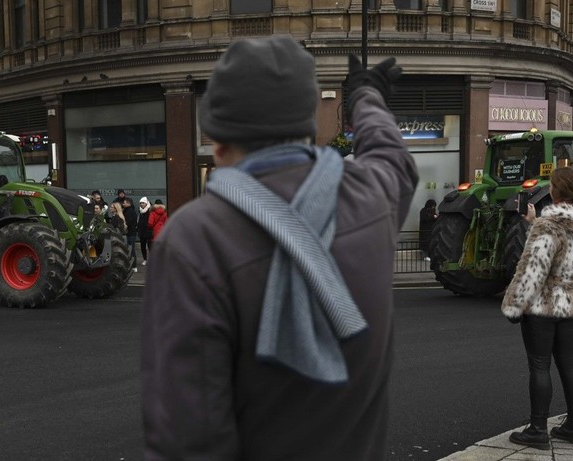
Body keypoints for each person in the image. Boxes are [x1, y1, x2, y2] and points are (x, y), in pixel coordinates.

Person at [141, 36, 417, 460]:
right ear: (308, 124)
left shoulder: (195, 239)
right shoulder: (372, 195)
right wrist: (367, 96)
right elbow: (391, 153)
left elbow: (189, 442)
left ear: (215, 137)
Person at [501, 165, 573, 450]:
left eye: (553, 186)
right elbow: (563, 250)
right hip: (571, 302)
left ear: (558, 192)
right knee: (569, 363)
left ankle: (537, 429)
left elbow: (534, 270)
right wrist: (535, 224)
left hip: (543, 305)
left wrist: (514, 305)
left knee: (540, 366)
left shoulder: (549, 225)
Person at [122, 197, 139, 271]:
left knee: (131, 250)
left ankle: (134, 266)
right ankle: (132, 265)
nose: (123, 204)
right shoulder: (127, 210)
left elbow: (128, 222)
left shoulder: (130, 211)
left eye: (124, 203)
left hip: (131, 234)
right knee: (130, 250)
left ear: (129, 203)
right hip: (130, 233)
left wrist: (124, 226)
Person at [137, 196, 153, 266]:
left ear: (146, 203)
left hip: (148, 231)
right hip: (141, 231)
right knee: (142, 246)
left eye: (143, 203)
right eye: (140, 203)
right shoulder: (140, 211)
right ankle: (145, 259)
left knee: (150, 246)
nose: (141, 204)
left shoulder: (150, 210)